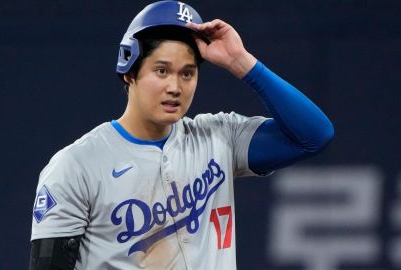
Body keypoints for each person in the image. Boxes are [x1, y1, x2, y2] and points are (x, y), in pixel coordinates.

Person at [29, 1, 334, 269]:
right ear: (130, 71)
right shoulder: (77, 165)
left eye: (187, 73)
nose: (175, 87)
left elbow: (314, 135)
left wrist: (242, 63)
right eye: (162, 71)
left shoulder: (219, 138)